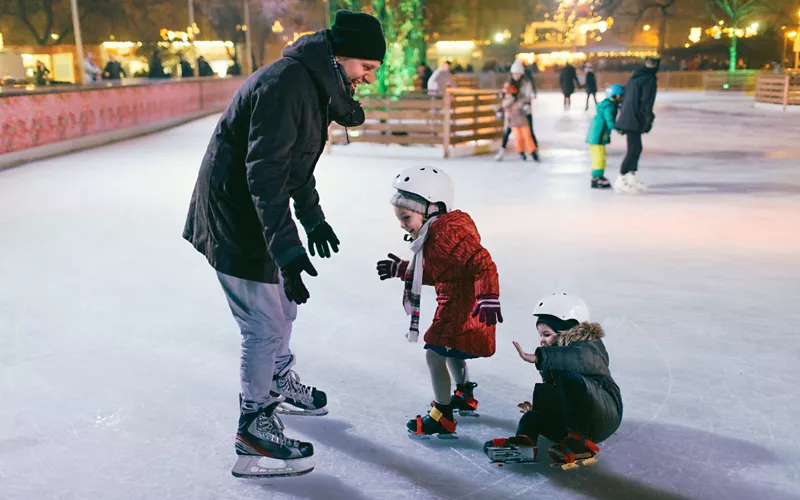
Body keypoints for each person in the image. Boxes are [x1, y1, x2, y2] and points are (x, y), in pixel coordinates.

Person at [182, 10, 386, 478]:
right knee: (263, 323)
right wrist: (288, 250)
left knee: (283, 309)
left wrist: (311, 221)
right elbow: (265, 173)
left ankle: (277, 379)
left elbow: (295, 166)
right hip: (236, 216)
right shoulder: (288, 84)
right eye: (365, 68)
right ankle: (254, 427)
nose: (368, 79)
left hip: (259, 213)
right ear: (338, 57)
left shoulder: (313, 85)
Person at [376, 166, 501, 438]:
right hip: (457, 301)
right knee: (452, 351)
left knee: (435, 354)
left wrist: (488, 295)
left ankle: (442, 415)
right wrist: (403, 270)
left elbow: (483, 262)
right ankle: (465, 394)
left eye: (406, 217)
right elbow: (440, 271)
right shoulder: (438, 232)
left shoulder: (447, 233)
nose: (402, 224)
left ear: (431, 207)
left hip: (464, 304)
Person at [484, 293, 622, 467]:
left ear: (566, 331)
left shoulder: (589, 348)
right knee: (533, 416)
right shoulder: (555, 357)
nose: (542, 341)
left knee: (568, 376)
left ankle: (580, 445)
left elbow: (575, 359)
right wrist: (541, 410)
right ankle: (524, 444)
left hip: (603, 417)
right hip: (571, 424)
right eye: (540, 335)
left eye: (546, 334)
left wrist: (539, 358)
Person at [614, 57, 659, 193]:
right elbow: (646, 102)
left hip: (629, 116)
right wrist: (647, 119)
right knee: (634, 149)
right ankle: (622, 178)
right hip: (634, 118)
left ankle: (630, 176)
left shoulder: (635, 77)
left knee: (636, 148)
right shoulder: (649, 80)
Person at [496, 59, 539, 162]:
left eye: (518, 73)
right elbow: (504, 97)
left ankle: (534, 151)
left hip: (524, 112)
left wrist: (521, 102)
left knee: (528, 132)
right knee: (508, 132)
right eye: (514, 73)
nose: (516, 75)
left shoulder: (526, 84)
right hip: (511, 113)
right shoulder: (509, 84)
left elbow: (530, 96)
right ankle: (504, 151)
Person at [586, 84, 624, 189]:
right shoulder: (609, 106)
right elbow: (610, 122)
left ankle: (597, 177)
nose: (621, 99)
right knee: (599, 158)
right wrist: (620, 129)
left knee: (598, 157)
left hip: (596, 135)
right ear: (614, 96)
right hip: (597, 136)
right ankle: (596, 178)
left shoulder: (608, 104)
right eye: (620, 96)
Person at [501, 83, 537, 161]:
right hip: (514, 124)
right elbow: (502, 106)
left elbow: (527, 101)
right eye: (506, 94)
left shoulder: (519, 101)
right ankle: (521, 152)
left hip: (523, 122)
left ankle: (532, 151)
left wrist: (524, 105)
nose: (507, 95)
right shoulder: (506, 103)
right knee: (518, 137)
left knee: (527, 136)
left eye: (509, 94)